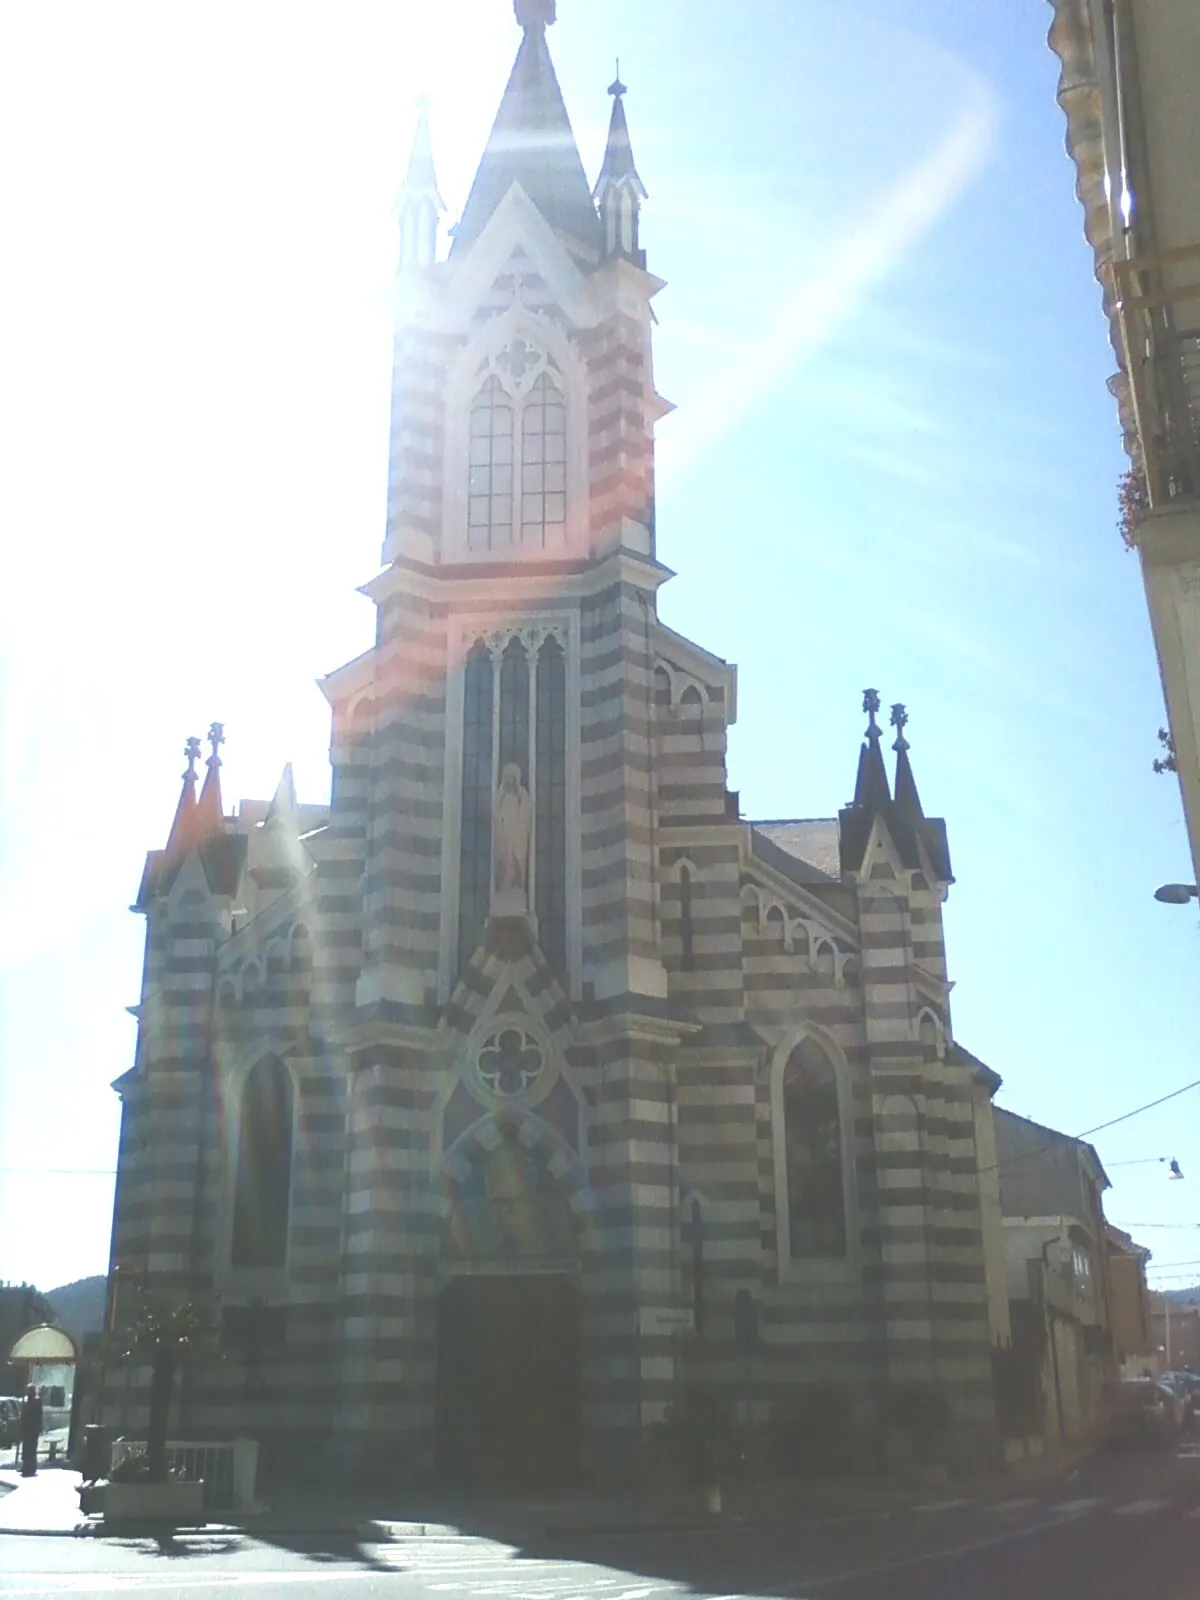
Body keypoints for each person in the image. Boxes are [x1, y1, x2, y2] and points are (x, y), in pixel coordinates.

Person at [19, 1384, 42, 1478]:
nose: (27, 1392)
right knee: (26, 1448)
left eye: (28, 1390)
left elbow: (38, 1416)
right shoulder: (26, 1400)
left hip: (33, 1429)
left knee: (31, 1449)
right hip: (26, 1428)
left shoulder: (36, 1401)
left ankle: (31, 1468)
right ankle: (25, 1467)